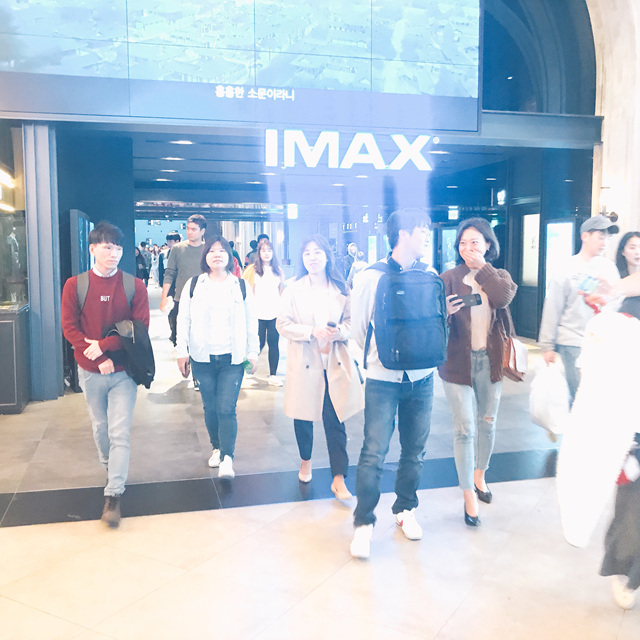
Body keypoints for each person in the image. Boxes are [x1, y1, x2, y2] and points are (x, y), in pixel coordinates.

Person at [350, 208, 436, 559]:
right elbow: (358, 328)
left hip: (422, 376)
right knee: (374, 452)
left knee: (415, 450)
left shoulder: (429, 274)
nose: (427, 235)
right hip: (382, 377)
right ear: (403, 233)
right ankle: (364, 522)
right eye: (421, 229)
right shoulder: (370, 277)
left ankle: (405, 509)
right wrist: (377, 357)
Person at [61, 222, 149, 528]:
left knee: (119, 432)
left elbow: (139, 330)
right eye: (107, 247)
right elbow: (70, 328)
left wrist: (105, 347)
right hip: (90, 371)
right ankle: (113, 472)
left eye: (118, 248)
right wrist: (98, 358)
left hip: (125, 371)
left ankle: (113, 494)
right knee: (100, 429)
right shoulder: (75, 285)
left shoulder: (134, 286)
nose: (114, 253)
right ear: (93, 249)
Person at [438, 218, 517, 527]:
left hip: (490, 359)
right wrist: (445, 312)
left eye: (474, 242)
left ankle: (480, 474)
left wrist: (482, 268)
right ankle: (468, 494)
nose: (468, 248)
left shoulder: (499, 276)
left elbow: (503, 298)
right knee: (465, 429)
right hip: (456, 362)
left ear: (488, 244)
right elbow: (435, 319)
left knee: (487, 422)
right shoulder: (448, 278)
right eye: (463, 243)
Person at [276, 235, 363, 500]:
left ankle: (339, 478)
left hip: (333, 361)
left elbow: (351, 323)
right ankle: (305, 460)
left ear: (327, 256)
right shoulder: (292, 289)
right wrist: (311, 331)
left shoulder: (341, 287)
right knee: (303, 417)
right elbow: (283, 324)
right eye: (307, 253)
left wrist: (339, 333)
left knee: (335, 419)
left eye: (317, 252)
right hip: (304, 360)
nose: (312, 258)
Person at [176, 236, 259, 479]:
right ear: (205, 256)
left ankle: (227, 457)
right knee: (210, 407)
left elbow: (251, 322)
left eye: (222, 250)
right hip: (202, 357)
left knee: (226, 408)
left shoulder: (241, 286)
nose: (217, 254)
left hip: (233, 358)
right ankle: (217, 447)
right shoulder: (194, 285)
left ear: (230, 256)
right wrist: (182, 351)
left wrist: (253, 353)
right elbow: (183, 320)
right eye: (212, 251)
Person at [538, 214, 619, 406]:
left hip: (602, 342)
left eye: (607, 238)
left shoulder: (610, 268)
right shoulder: (566, 268)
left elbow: (617, 303)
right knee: (580, 398)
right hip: (573, 342)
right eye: (600, 237)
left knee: (599, 398)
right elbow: (553, 307)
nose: (604, 242)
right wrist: (547, 345)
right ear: (585, 236)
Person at [243, 238, 285, 385]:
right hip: (257, 314)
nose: (266, 253)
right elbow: (246, 290)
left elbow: (281, 290)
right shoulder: (252, 270)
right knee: (257, 344)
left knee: (274, 344)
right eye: (263, 250)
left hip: (274, 313)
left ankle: (273, 375)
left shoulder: (278, 270)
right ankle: (246, 368)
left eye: (269, 250)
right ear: (259, 253)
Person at [161, 215, 206, 347]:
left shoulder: (208, 249)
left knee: (201, 335)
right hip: (181, 298)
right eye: (188, 228)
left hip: (204, 298)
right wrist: (164, 297)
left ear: (202, 231)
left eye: (194, 229)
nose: (190, 232)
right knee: (181, 334)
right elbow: (169, 273)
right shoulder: (177, 249)